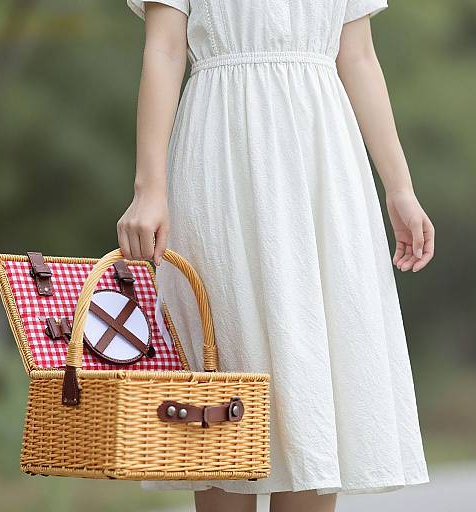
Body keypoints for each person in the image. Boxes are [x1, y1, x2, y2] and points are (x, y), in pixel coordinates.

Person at [117, 1, 434, 511]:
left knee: (313, 360)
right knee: (225, 368)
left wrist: (400, 187)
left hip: (322, 157)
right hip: (223, 150)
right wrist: (149, 187)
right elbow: (165, 48)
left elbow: (357, 58)